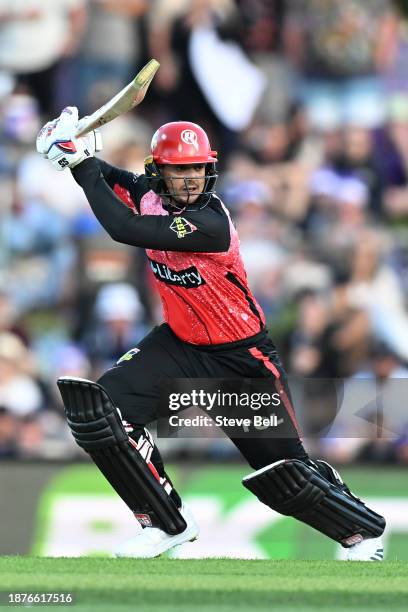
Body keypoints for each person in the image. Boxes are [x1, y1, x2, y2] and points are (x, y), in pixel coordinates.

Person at [36, 107, 385, 560]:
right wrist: (69, 149)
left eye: (197, 169)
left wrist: (76, 163)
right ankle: (165, 524)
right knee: (99, 413)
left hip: (240, 359)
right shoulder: (147, 192)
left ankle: (362, 532)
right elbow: (108, 175)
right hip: (179, 345)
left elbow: (123, 228)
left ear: (210, 170)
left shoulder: (210, 222)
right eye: (179, 170)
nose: (189, 180)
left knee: (282, 475)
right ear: (158, 171)